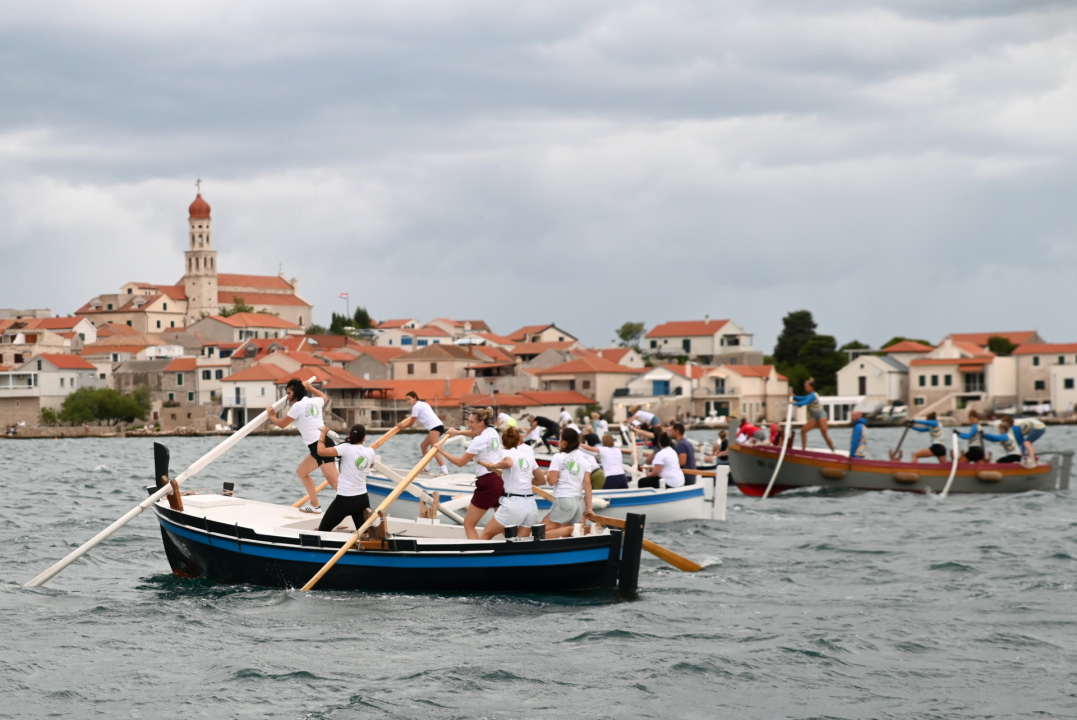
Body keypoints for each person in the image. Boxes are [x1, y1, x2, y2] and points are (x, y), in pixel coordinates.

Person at [265, 378, 340, 514]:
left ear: (296, 393)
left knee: (335, 483)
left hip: (320, 445)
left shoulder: (297, 407)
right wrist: (311, 388)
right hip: (319, 444)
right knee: (302, 472)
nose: (287, 397)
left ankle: (356, 508)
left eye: (289, 393)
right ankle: (315, 505)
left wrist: (271, 415)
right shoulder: (315, 401)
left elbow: (282, 424)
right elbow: (325, 397)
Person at [441, 408, 506, 539]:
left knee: (468, 524)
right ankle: (515, 547)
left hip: (488, 483)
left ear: (481, 423)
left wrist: (441, 450)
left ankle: (478, 553)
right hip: (501, 480)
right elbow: (474, 433)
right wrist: (457, 432)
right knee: (503, 524)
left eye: (471, 422)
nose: (469, 425)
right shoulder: (492, 432)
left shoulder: (478, 440)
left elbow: (460, 463)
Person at [475, 425, 547, 540]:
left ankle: (477, 558)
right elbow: (542, 480)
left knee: (486, 535)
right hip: (531, 506)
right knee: (520, 543)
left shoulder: (505, 452)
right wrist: (524, 479)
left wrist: (493, 465)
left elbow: (508, 463)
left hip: (514, 504)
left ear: (503, 443)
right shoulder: (529, 457)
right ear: (519, 441)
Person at [314, 424, 374, 532]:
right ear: (364, 438)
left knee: (323, 530)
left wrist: (323, 434)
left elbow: (321, 452)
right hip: (362, 500)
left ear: (350, 436)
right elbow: (371, 465)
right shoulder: (370, 452)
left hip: (344, 501)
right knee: (365, 534)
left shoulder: (345, 448)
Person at [542, 428, 594, 538]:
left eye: (559, 439)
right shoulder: (585, 462)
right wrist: (589, 508)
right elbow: (588, 485)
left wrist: (548, 475)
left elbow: (551, 481)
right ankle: (581, 530)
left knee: (541, 533)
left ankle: (575, 529)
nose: (558, 441)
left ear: (564, 442)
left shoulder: (558, 457)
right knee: (571, 538)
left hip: (564, 500)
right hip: (579, 503)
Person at [396, 391, 449, 476]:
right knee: (423, 446)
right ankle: (426, 468)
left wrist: (402, 426)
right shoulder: (423, 404)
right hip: (438, 426)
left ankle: (444, 470)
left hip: (435, 427)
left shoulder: (416, 407)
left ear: (414, 398)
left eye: (409, 399)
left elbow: (411, 423)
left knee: (434, 448)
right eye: (407, 400)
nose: (408, 402)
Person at [792, 378, 835, 452]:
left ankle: (833, 450)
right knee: (803, 431)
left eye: (806, 386)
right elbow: (803, 398)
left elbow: (804, 402)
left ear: (811, 387)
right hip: (815, 417)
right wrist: (794, 396)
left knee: (824, 434)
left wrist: (793, 403)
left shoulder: (813, 395)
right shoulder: (809, 395)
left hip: (822, 416)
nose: (805, 388)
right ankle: (803, 450)